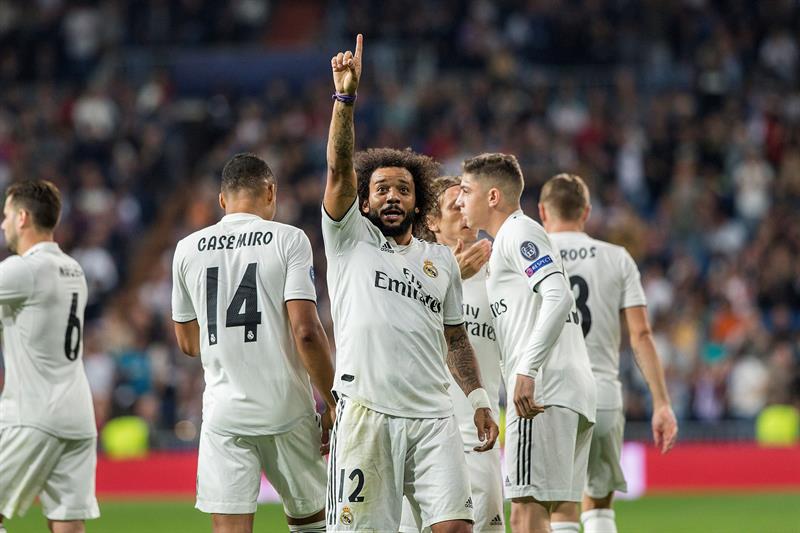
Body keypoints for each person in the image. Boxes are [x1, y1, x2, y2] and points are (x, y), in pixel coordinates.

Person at [323, 35, 499, 533]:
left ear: (418, 203)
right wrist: (345, 100)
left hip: (434, 419)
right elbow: (338, 169)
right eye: (381, 189)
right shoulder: (348, 240)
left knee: (455, 528)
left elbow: (456, 337)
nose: (393, 196)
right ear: (364, 202)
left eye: (404, 189)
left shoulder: (439, 261)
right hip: (365, 416)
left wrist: (480, 401)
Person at [171, 153, 335, 533]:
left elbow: (188, 343)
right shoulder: (290, 240)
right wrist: (331, 400)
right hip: (286, 409)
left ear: (222, 201)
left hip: (224, 414)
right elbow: (306, 331)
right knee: (313, 523)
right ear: (271, 192)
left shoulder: (187, 248)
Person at [456, 154, 596, 533]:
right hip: (569, 389)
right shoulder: (512, 240)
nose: (458, 201)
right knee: (555, 517)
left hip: (541, 393)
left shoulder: (518, 232)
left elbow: (559, 295)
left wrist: (527, 369)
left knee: (525, 516)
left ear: (493, 196)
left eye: (466, 191)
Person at [540, 173, 678, 533]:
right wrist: (661, 402)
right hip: (601, 392)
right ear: (586, 212)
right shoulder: (617, 258)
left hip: (550, 393)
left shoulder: (530, 256)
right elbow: (641, 334)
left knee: (561, 511)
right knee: (599, 507)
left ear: (542, 211)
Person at [400, 176, 504, 533]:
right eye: (454, 207)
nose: (465, 213)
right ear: (431, 221)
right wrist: (451, 279)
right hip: (421, 435)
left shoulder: (499, 275)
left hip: (479, 435)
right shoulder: (410, 272)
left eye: (467, 204)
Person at [0, 180, 100, 533]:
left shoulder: (22, 269)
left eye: (6, 215)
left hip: (32, 413)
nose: (3, 224)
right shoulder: (74, 269)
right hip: (77, 417)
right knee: (68, 523)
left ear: (23, 218)